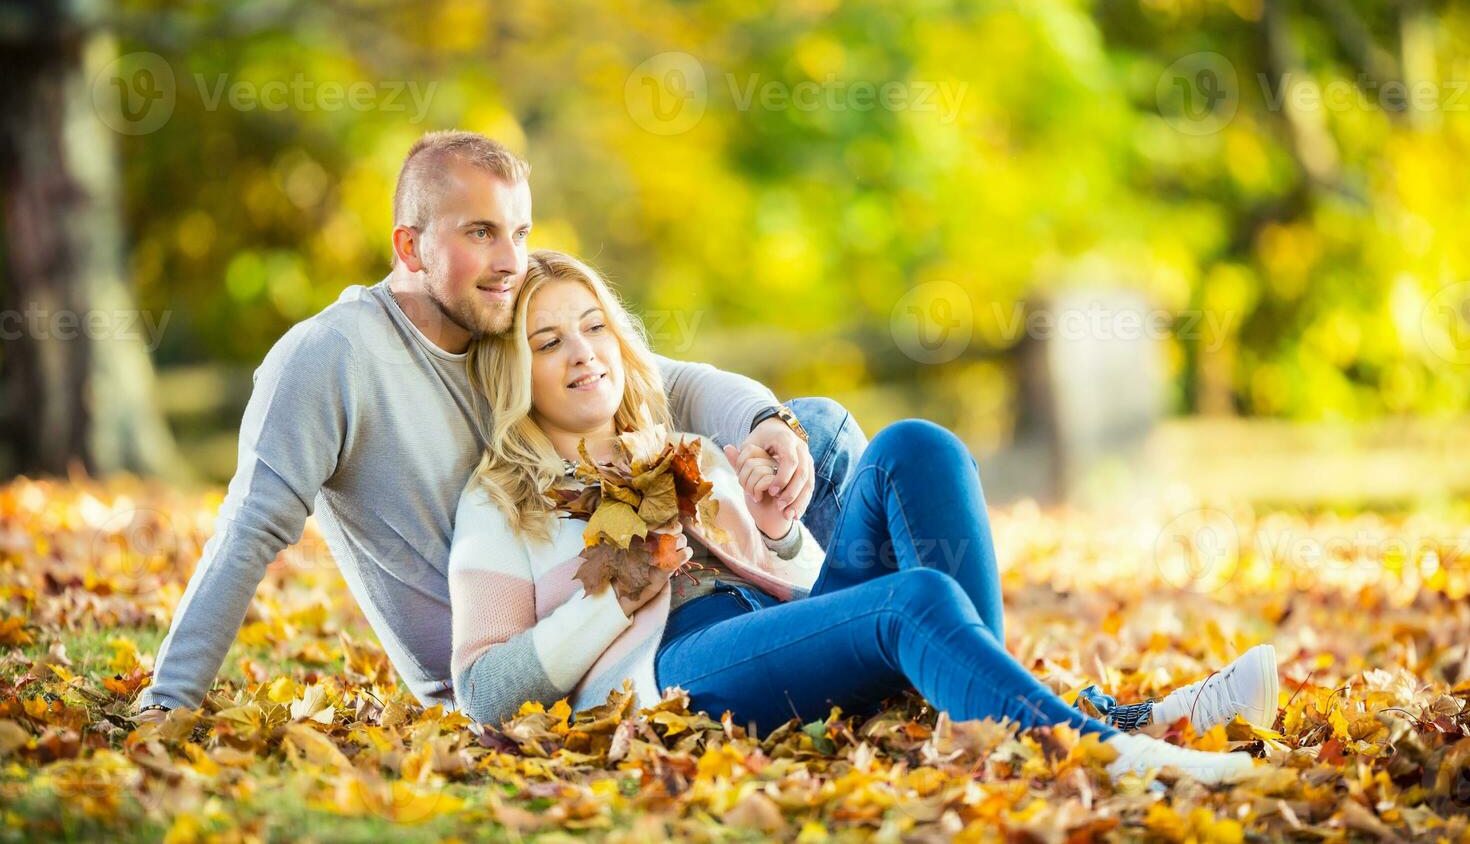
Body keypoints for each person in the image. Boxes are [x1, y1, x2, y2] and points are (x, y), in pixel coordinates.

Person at [450, 249, 1280, 784]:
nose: (582, 350)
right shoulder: (500, 499)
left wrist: (775, 532)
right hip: (680, 674)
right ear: (512, 371)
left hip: (780, 632)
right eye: (548, 341)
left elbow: (798, 591)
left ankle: (1031, 721)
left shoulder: (680, 447)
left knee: (917, 445)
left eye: (592, 325)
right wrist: (607, 604)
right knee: (910, 600)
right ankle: (1111, 748)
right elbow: (484, 693)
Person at [131, 131, 856, 720]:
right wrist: (168, 704)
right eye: (481, 233)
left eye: (519, 231)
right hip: (515, 660)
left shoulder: (501, 319)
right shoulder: (332, 358)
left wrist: (769, 420)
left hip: (612, 598)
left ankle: (862, 624)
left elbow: (661, 377)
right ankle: (864, 629)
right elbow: (247, 531)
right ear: (410, 247)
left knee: (816, 429)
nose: (510, 261)